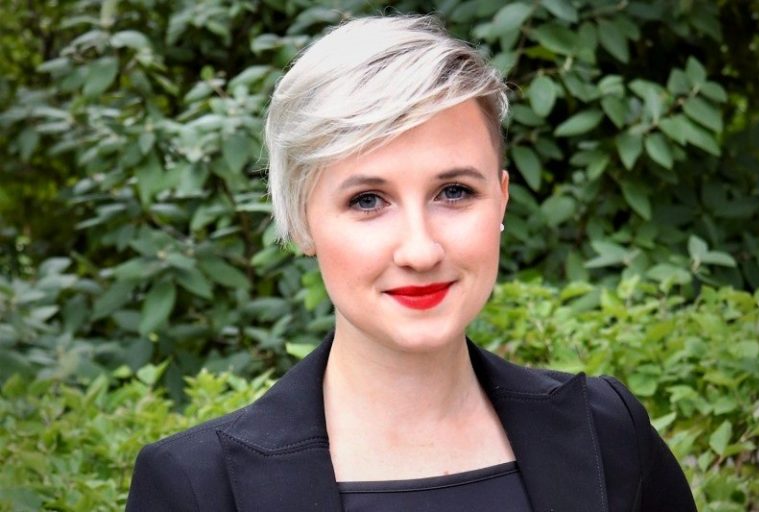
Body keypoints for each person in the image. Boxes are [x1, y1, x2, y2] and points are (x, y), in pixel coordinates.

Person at [126, 15, 697, 512]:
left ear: (501, 198)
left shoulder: (610, 433)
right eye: (367, 201)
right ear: (301, 223)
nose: (420, 251)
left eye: (453, 192)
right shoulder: (198, 487)